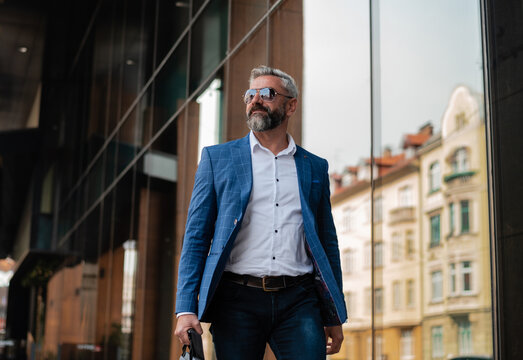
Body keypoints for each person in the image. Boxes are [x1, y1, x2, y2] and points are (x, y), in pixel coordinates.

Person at [174, 65, 347, 359]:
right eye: (250, 94)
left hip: (299, 300)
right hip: (236, 299)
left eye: (267, 94)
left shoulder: (314, 167)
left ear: (290, 105)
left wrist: (333, 313)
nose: (256, 100)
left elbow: (327, 243)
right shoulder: (217, 159)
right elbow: (196, 237)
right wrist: (185, 308)